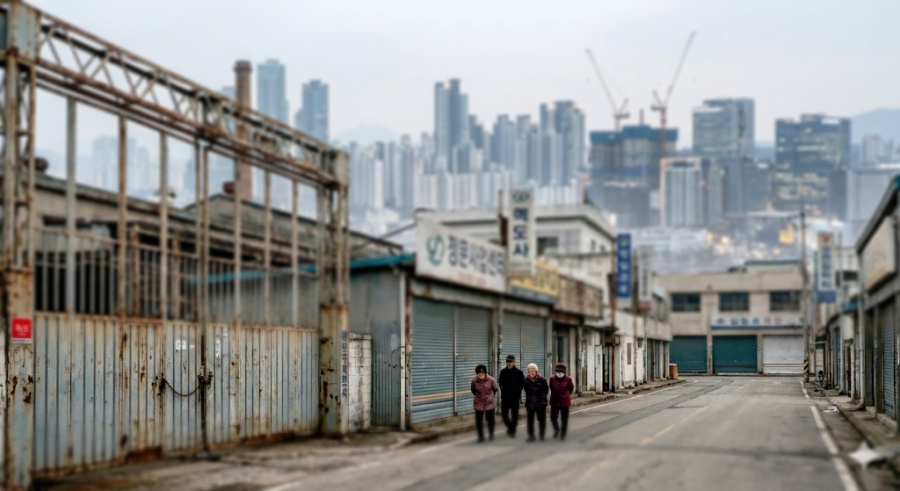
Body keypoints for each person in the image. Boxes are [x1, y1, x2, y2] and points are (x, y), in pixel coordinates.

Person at [498, 355, 525, 438]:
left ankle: (513, 430)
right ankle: (510, 426)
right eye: (508, 362)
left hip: (515, 397)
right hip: (505, 397)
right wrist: (503, 390)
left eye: (511, 362)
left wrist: (517, 391)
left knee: (514, 415)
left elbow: (522, 383)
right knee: (504, 414)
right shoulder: (503, 371)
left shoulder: (519, 372)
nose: (509, 364)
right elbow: (500, 382)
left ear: (514, 362)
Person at [471, 364, 499, 443]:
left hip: (489, 403)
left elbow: (495, 389)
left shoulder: (491, 379)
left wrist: (490, 397)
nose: (481, 375)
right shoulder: (474, 381)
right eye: (479, 374)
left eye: (482, 374)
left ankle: (491, 434)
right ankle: (481, 437)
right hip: (479, 403)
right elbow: (473, 390)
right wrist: (478, 397)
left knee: (490, 419)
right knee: (478, 421)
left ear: (485, 373)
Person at [522, 363, 549, 442]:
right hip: (530, 402)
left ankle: (542, 435)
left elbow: (546, 390)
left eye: (533, 371)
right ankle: (531, 436)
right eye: (530, 371)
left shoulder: (542, 379)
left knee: (541, 419)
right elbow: (526, 390)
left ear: (536, 371)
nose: (531, 373)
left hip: (541, 402)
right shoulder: (526, 380)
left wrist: (541, 398)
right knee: (530, 420)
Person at [549, 362, 575, 441]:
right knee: (553, 417)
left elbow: (571, 389)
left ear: (564, 372)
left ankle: (563, 434)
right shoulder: (552, 379)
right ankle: (557, 429)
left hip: (565, 402)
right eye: (557, 371)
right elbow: (551, 388)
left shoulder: (568, 379)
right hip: (554, 401)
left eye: (561, 372)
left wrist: (566, 395)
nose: (559, 373)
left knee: (564, 419)